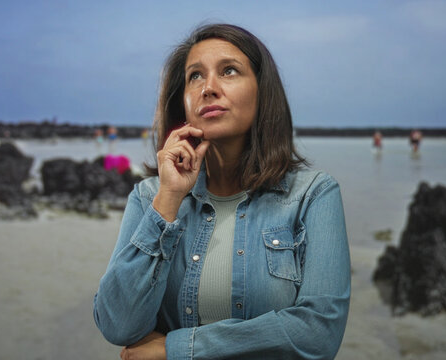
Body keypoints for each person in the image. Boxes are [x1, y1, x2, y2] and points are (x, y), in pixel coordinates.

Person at [93, 24, 351, 359]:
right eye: (195, 76)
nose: (209, 88)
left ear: (263, 91)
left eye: (229, 71)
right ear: (182, 102)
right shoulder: (149, 197)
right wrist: (169, 198)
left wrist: (174, 349)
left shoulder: (313, 195)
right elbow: (118, 325)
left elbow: (319, 333)